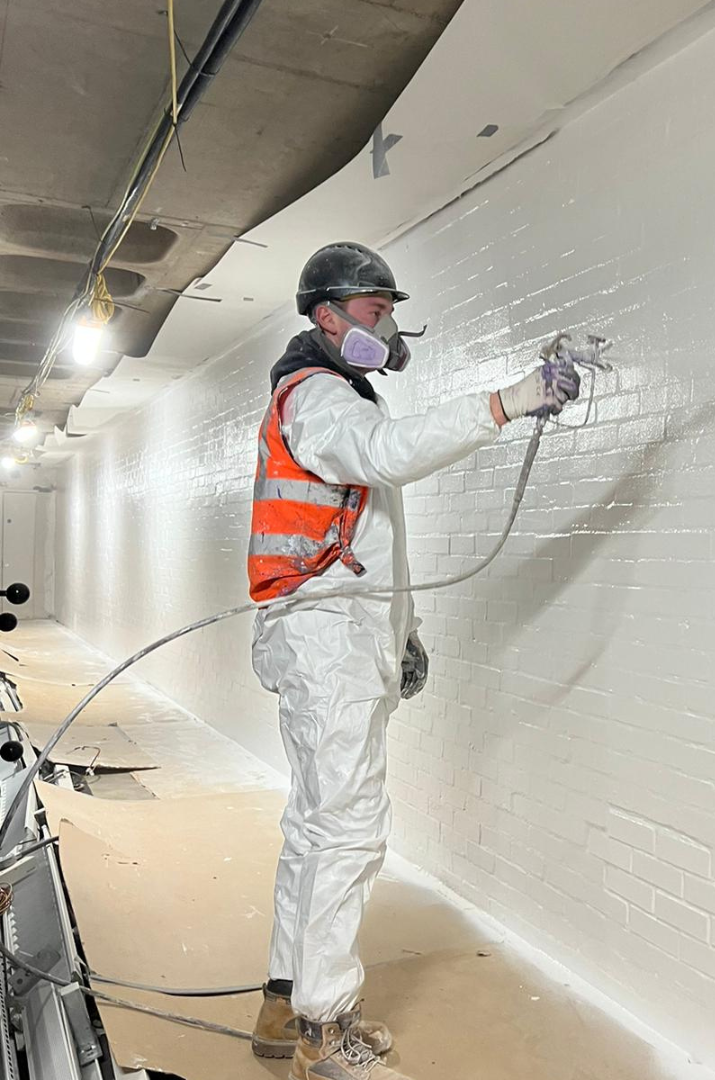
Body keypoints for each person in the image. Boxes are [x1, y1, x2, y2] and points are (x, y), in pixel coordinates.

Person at [246, 241, 580, 1080]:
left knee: (317, 823)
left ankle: (285, 1004)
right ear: (326, 316)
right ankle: (325, 1033)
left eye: (390, 310)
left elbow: (367, 533)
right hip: (326, 639)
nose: (388, 325)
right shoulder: (318, 395)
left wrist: (407, 632)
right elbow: (387, 455)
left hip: (338, 633)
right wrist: (508, 402)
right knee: (350, 828)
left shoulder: (334, 395)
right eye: (373, 310)